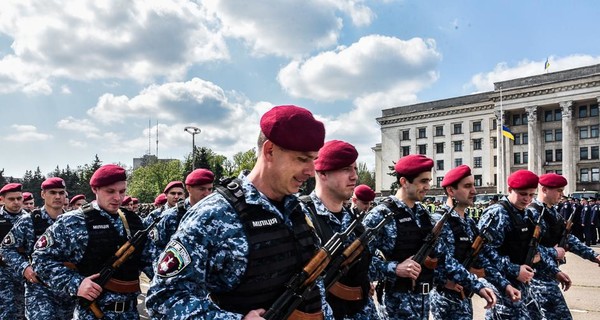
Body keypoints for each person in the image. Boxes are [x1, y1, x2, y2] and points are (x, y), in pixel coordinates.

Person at [145, 104, 333, 319]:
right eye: (302, 159)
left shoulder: (295, 209)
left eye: (314, 159)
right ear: (269, 150)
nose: (311, 171)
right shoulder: (213, 215)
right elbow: (163, 298)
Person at [32, 164, 152, 319]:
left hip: (130, 312)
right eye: (110, 191)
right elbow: (40, 259)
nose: (118, 198)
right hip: (91, 312)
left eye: (122, 191)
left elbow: (151, 260)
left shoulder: (132, 220)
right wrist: (76, 283)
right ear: (95, 189)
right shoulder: (73, 222)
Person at [302, 140, 377, 319]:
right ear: (322, 173)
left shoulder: (354, 221)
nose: (354, 177)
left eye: (355, 169)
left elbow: (370, 268)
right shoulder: (301, 217)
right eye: (345, 169)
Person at [363, 154, 437, 320]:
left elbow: (440, 255)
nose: (428, 186)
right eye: (423, 181)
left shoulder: (423, 213)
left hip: (423, 303)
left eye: (429, 181)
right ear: (404, 182)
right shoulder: (380, 215)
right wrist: (394, 268)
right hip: (394, 306)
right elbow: (360, 263)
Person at [527, 173, 600, 319]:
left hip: (550, 274)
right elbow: (528, 248)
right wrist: (554, 253)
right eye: (559, 191)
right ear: (544, 189)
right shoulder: (532, 213)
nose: (562, 194)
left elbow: (567, 239)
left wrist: (594, 255)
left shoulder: (552, 212)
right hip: (536, 277)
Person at [477, 170, 547, 320]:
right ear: (509, 190)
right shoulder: (497, 213)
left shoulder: (526, 213)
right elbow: (483, 252)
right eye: (523, 194)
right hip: (501, 284)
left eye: (531, 194)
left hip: (521, 283)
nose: (527, 199)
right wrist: (515, 270)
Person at [1, 177, 75, 319]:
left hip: (68, 289)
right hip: (39, 291)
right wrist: (25, 268)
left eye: (61, 192)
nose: (58, 196)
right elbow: (6, 248)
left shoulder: (75, 221)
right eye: (52, 192)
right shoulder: (29, 221)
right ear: (43, 195)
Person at [429, 165, 496, 320]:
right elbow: (434, 261)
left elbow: (483, 257)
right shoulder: (439, 221)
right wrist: (443, 281)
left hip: (464, 294)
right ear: (451, 191)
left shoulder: (469, 222)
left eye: (473, 185)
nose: (474, 191)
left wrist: (504, 283)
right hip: (445, 298)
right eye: (467, 186)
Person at [147, 168, 215, 277]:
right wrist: (161, 278)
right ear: (189, 188)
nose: (207, 194)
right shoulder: (170, 216)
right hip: (176, 284)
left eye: (210, 189)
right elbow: (152, 251)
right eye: (202, 189)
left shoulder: (213, 216)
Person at [0, 183, 27, 319]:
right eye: (11, 199)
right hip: (2, 272)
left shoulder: (30, 219)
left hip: (24, 271)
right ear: (2, 200)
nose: (16, 202)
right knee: (6, 310)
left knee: (24, 310)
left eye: (19, 198)